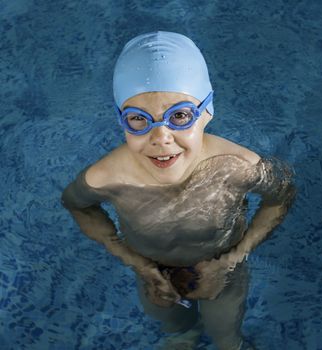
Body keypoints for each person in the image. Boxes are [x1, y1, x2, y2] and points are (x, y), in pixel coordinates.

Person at [61, 31, 295, 350]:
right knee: (174, 328)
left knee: (226, 336)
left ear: (207, 112)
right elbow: (77, 205)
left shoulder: (238, 166)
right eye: (138, 120)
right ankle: (184, 335)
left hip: (222, 265)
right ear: (121, 121)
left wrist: (230, 261)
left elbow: (280, 197)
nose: (162, 137)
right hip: (152, 270)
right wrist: (138, 264)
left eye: (180, 116)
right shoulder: (107, 177)